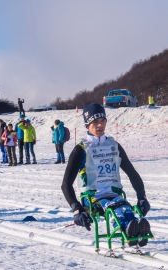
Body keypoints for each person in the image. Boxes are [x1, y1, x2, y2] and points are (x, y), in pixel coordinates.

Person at [61, 103, 151, 247]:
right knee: (114, 209)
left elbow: (132, 172)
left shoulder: (113, 146)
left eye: (102, 121)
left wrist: (141, 197)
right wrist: (77, 208)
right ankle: (129, 229)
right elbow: (66, 183)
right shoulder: (81, 149)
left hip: (114, 194)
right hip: (92, 198)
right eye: (95, 122)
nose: (100, 125)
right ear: (87, 124)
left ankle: (137, 230)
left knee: (125, 206)